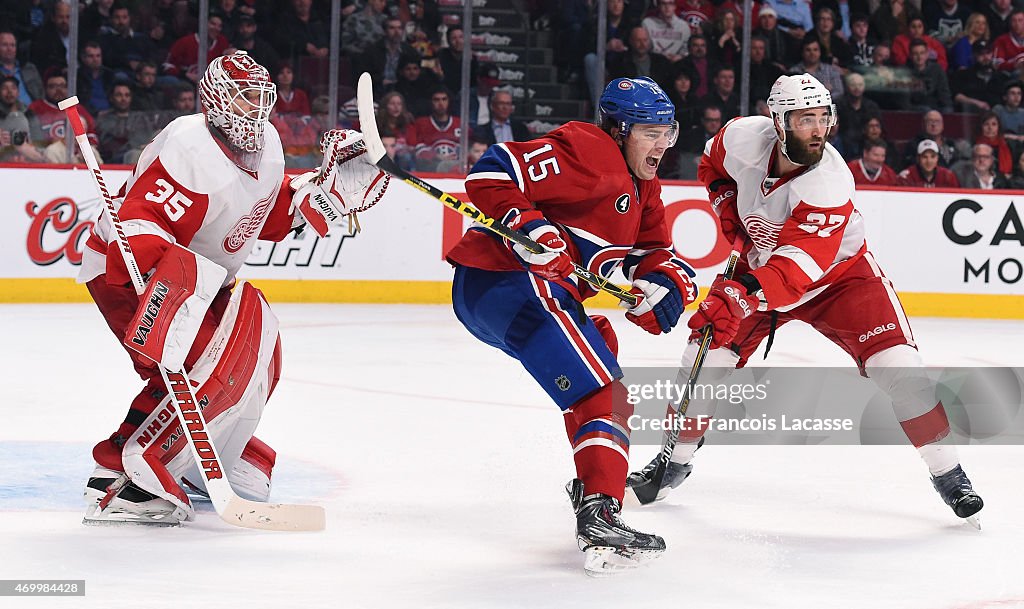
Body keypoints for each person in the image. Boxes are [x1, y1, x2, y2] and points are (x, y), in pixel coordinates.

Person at [627, 74, 983, 526]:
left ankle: (949, 474)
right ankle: (673, 460)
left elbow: (798, 268)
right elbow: (711, 166)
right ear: (778, 122)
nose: (817, 129)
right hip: (760, 269)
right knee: (702, 360)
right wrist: (728, 210)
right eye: (804, 119)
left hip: (840, 279)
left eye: (822, 118)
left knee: (901, 371)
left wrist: (740, 295)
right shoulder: (740, 137)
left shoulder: (830, 183)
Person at [78, 51, 380, 525]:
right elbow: (142, 222)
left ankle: (204, 452)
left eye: (261, 99)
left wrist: (325, 192)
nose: (254, 111)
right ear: (216, 101)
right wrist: (173, 293)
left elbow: (265, 215)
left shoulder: (271, 147)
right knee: (201, 363)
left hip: (201, 276)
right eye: (243, 100)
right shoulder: (191, 147)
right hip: (131, 269)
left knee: (259, 349)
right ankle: (123, 476)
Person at [447, 77, 698, 574]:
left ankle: (592, 486)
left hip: (518, 295)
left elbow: (655, 256)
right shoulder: (586, 148)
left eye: (667, 132)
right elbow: (492, 172)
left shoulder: (644, 188)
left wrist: (665, 290)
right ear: (619, 129)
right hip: (509, 279)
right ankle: (601, 511)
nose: (662, 145)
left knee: (602, 355)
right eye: (650, 132)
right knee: (605, 392)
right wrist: (531, 227)